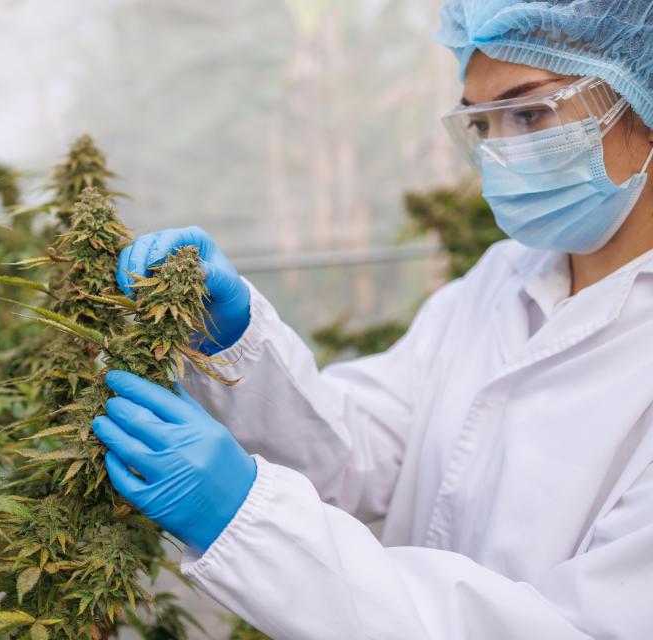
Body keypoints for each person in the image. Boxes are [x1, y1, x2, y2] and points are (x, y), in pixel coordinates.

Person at [91, 1, 653, 638]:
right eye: (481, 124)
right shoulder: (505, 277)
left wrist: (243, 520)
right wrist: (235, 343)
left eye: (529, 112)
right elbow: (354, 452)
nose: (499, 152)